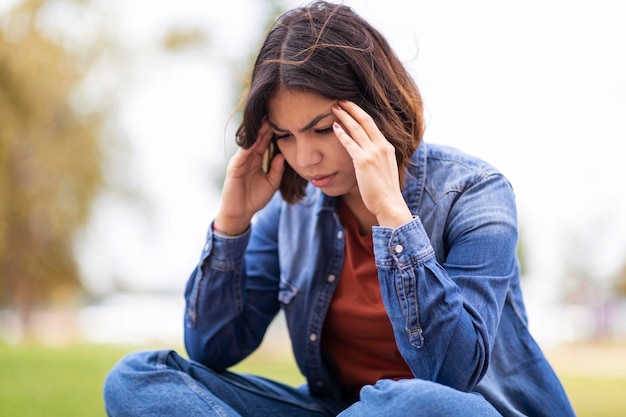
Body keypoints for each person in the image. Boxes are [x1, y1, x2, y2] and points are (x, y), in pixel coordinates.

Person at [103, 1, 576, 416]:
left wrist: (395, 218)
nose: (305, 158)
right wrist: (232, 225)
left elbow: (452, 375)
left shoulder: (476, 195)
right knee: (137, 376)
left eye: (324, 128)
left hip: (450, 411)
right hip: (344, 410)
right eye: (285, 136)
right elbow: (212, 348)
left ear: (375, 109)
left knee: (410, 401)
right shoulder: (291, 212)